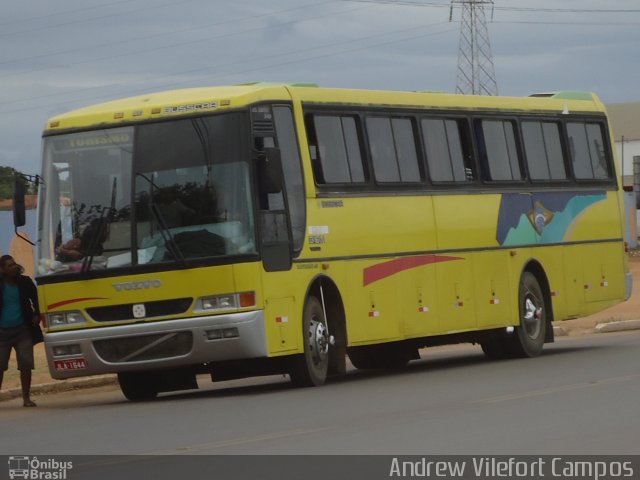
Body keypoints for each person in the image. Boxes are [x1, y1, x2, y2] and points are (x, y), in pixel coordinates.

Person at [0, 255, 43, 407]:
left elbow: (37, 298)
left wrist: (38, 314)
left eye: (14, 264)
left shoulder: (24, 282)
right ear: (2, 270)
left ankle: (26, 398)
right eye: (9, 266)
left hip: (23, 330)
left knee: (26, 365)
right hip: (2, 333)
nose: (13, 267)